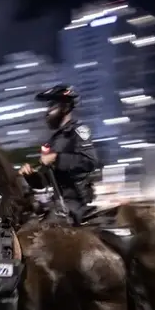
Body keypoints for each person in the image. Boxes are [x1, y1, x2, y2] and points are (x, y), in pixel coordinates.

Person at [19, 85, 99, 223]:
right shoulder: (52, 141)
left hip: (75, 202)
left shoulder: (79, 130)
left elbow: (90, 161)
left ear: (65, 107)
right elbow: (46, 181)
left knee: (46, 230)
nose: (48, 112)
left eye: (52, 106)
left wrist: (57, 158)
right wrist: (31, 176)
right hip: (56, 202)